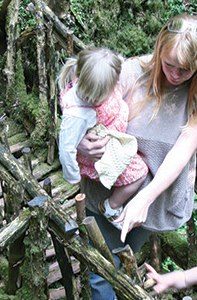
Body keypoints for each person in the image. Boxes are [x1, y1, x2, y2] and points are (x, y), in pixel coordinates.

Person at [77, 14, 197, 300]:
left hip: (154, 195)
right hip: (110, 181)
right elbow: (87, 109)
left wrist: (144, 197)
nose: (174, 74)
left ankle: (105, 295)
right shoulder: (131, 71)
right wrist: (83, 142)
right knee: (106, 252)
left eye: (184, 70)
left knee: (120, 248)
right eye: (169, 64)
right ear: (159, 47)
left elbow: (182, 150)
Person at [58, 47, 148, 221]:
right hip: (99, 155)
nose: (92, 101)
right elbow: (66, 147)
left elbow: (115, 62)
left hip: (110, 140)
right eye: (93, 98)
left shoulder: (104, 72)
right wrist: (72, 176)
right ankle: (111, 206)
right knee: (139, 173)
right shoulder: (76, 114)